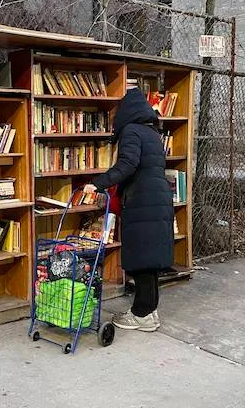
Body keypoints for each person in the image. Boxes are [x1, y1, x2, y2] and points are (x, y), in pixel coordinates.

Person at [83, 84, 174, 332]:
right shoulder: (152, 133)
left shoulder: (132, 131)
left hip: (142, 201)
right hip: (157, 199)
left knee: (141, 260)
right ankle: (149, 311)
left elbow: (128, 164)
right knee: (150, 260)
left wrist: (98, 184)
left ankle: (141, 314)